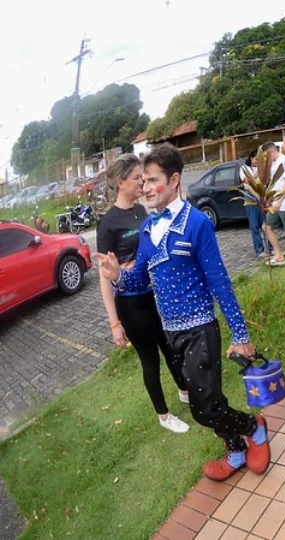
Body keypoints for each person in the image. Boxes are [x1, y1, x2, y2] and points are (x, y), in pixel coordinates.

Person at [95, 144, 270, 482]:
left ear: (174, 180)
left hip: (200, 329)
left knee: (204, 410)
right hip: (170, 332)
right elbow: (140, 277)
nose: (145, 188)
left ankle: (254, 428)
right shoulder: (148, 229)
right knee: (207, 399)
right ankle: (235, 450)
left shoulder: (197, 223)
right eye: (142, 181)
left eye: (152, 180)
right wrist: (118, 275)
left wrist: (241, 334)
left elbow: (220, 283)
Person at [96, 153, 190, 434]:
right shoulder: (108, 223)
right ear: (121, 182)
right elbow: (105, 279)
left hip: (153, 293)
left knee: (170, 345)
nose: (142, 183)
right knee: (150, 360)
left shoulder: (140, 211)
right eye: (137, 178)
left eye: (145, 178)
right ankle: (164, 415)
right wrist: (115, 323)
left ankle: (185, 390)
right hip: (130, 302)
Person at [241, 150, 270, 260]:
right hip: (251, 197)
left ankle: (271, 248)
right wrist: (258, 171)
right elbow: (247, 182)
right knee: (255, 225)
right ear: (251, 158)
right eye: (256, 159)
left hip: (262, 196)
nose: (258, 162)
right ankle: (259, 250)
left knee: (266, 224)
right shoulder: (244, 169)